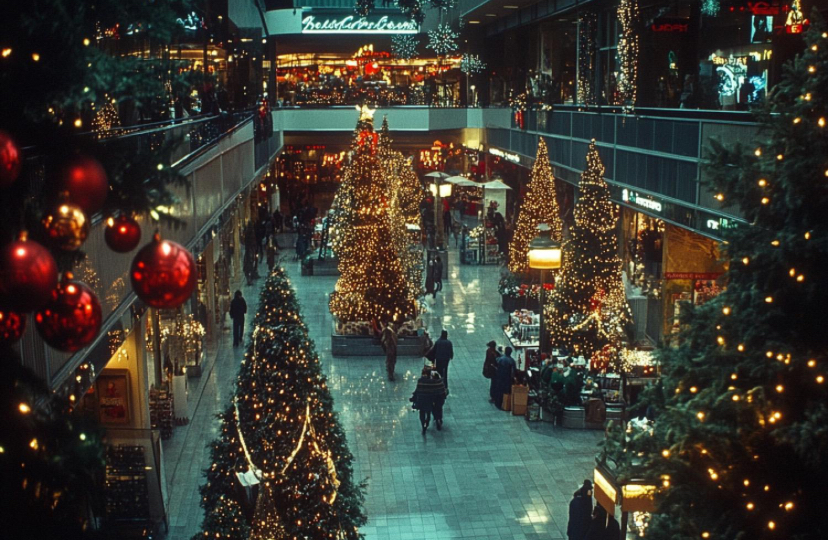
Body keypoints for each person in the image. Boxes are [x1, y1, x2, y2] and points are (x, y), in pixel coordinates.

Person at [411, 366, 447, 434]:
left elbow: (418, 390)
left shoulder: (421, 381)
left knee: (422, 412)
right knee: (434, 409)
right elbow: (442, 391)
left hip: (422, 401)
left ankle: (423, 426)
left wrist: (413, 398)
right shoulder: (436, 381)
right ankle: (435, 420)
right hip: (432, 400)